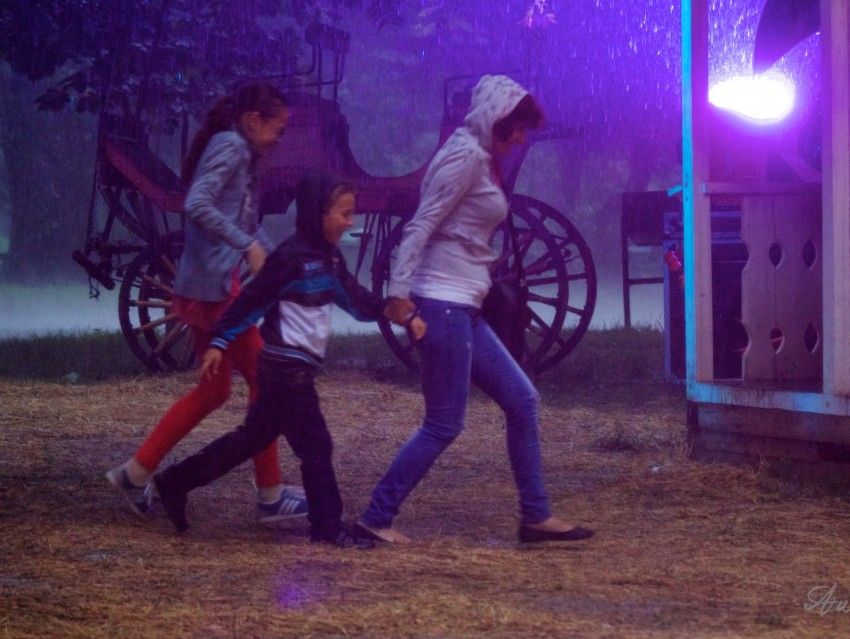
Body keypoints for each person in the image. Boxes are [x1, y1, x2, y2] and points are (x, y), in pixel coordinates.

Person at [354, 75, 594, 545]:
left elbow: (459, 229)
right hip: (441, 303)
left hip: (463, 304)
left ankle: (536, 517)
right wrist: (398, 292)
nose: (521, 138)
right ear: (494, 119)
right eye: (516, 128)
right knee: (443, 423)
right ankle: (375, 519)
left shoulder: (481, 158)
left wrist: (481, 259)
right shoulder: (465, 156)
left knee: (522, 400)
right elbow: (421, 224)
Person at [151, 173, 427, 547]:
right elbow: (251, 301)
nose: (351, 222)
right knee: (317, 448)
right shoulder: (289, 259)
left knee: (250, 440)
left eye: (352, 214)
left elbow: (358, 302)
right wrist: (219, 341)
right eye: (344, 214)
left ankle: (174, 482)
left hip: (285, 372)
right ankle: (327, 529)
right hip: (286, 371)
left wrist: (393, 312)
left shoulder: (329, 260)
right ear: (317, 213)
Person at [105, 83, 309, 523]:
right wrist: (246, 246)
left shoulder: (237, 150)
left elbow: (245, 223)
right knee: (268, 386)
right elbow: (196, 203)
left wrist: (276, 258)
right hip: (216, 294)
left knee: (214, 391)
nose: (280, 137)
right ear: (253, 120)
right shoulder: (232, 147)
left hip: (205, 289)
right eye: (278, 128)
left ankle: (135, 474)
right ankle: (270, 495)